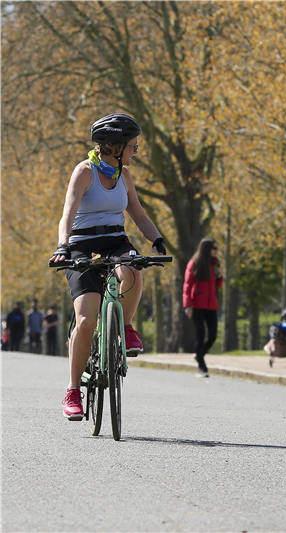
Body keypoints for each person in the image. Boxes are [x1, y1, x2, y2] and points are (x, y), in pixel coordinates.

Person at [50, 113, 166, 421]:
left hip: (115, 241)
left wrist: (156, 239)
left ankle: (125, 328)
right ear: (114, 147)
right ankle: (73, 391)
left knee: (133, 268)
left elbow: (138, 213)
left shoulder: (123, 175)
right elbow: (67, 214)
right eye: (132, 146)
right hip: (81, 246)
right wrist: (63, 247)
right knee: (86, 319)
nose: (136, 151)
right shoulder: (84, 172)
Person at [182, 238, 223, 378]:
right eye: (214, 248)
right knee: (200, 334)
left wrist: (220, 276)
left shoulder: (215, 263)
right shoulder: (194, 263)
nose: (215, 251)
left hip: (211, 304)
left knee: (213, 334)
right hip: (197, 305)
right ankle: (201, 366)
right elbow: (187, 285)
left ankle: (199, 354)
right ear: (207, 249)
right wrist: (187, 305)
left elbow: (217, 285)